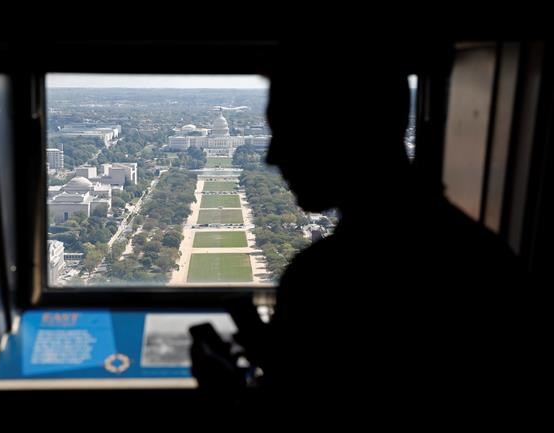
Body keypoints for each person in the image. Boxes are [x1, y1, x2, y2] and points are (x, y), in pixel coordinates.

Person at [191, 42, 526, 421]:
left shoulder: (324, 276)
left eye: (290, 133)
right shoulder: (485, 256)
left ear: (349, 131)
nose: (273, 156)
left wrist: (226, 394)